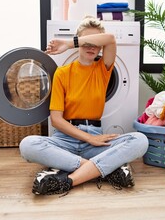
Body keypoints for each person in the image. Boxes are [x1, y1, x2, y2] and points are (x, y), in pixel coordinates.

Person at [19, 16, 148, 196]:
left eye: (95, 42)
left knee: (140, 140)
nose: (91, 46)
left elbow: (110, 39)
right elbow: (56, 120)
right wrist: (88, 138)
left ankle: (69, 180)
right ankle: (101, 169)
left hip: (96, 142)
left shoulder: (103, 69)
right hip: (65, 140)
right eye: (86, 41)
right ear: (79, 42)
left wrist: (68, 43)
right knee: (28, 145)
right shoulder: (62, 73)